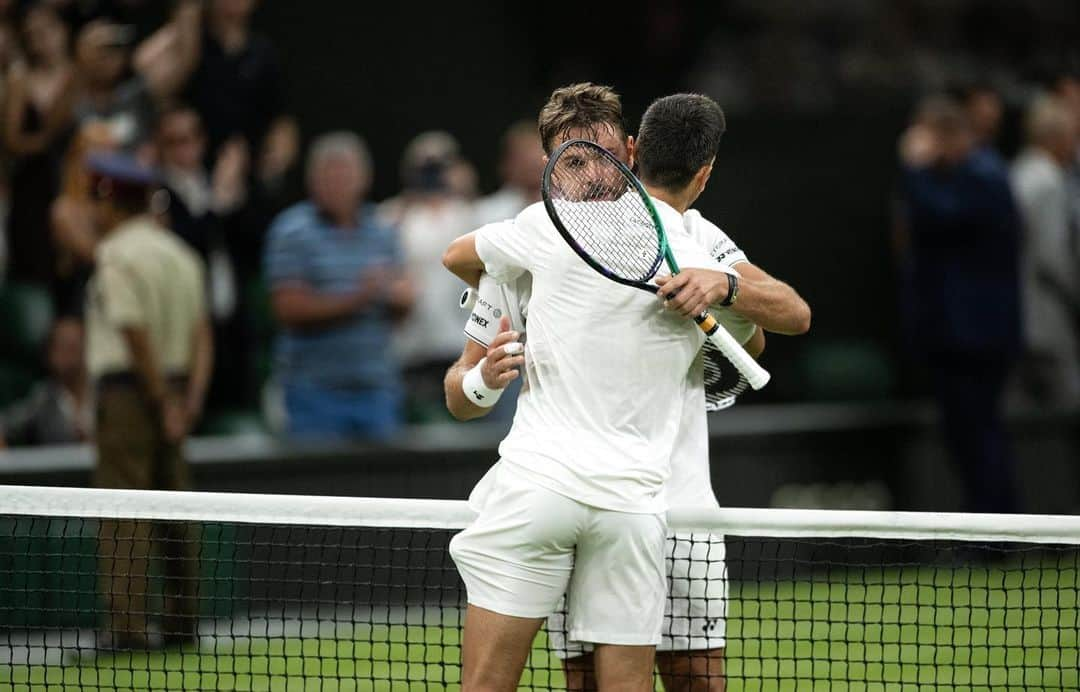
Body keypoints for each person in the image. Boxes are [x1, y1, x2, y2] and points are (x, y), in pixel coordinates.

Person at [444, 85, 809, 692]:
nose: (587, 176)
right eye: (572, 161)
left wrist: (721, 286)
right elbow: (459, 386)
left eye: (600, 157)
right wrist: (482, 381)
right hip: (585, 497)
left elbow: (777, 324)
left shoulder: (690, 236)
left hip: (666, 502)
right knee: (579, 679)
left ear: (631, 153)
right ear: (549, 167)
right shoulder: (526, 241)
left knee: (696, 678)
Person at [85, 151, 212, 650]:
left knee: (124, 512)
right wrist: (189, 400)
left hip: (131, 396)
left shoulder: (116, 254)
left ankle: (127, 629)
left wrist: (159, 400)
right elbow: (203, 335)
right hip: (176, 393)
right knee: (175, 509)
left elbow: (133, 330)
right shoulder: (182, 254)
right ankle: (182, 624)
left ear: (110, 200)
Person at [896, 95, 1022, 513]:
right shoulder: (957, 175)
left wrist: (913, 169)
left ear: (946, 136)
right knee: (965, 435)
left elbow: (943, 216)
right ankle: (990, 532)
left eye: (926, 137)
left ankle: (996, 537)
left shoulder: (983, 175)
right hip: (954, 334)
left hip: (977, 336)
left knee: (979, 433)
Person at [264, 132, 413, 440]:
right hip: (314, 391)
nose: (339, 185)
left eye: (347, 176)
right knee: (319, 485)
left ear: (364, 179)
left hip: (376, 387)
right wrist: (360, 297)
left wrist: (399, 299)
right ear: (312, 181)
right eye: (330, 176)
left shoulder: (382, 231)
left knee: (384, 485)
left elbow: (402, 303)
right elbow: (287, 308)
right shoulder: (292, 231)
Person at [380, 131, 475, 422]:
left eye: (439, 165)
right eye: (425, 167)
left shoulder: (467, 213)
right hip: (411, 346)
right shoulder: (391, 215)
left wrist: (465, 188)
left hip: (458, 342)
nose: (432, 174)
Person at [1011, 95, 1080, 405]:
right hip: (1047, 310)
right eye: (1072, 136)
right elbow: (1052, 255)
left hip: (1014, 306)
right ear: (1054, 137)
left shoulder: (1017, 172)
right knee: (1066, 402)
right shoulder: (1049, 181)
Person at [3, 2, 75, 286]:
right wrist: (47, 141)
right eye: (31, 34)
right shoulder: (20, 80)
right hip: (33, 187)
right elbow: (13, 141)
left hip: (75, 184)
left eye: (46, 30)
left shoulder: (81, 73)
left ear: (63, 30)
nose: (41, 41)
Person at [0, 317, 89, 448]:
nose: (67, 355)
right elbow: (5, 423)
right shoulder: (44, 396)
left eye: (73, 347)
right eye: (60, 346)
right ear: (49, 353)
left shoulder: (107, 392)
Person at [471, 120, 545, 226]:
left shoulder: (570, 207)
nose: (532, 165)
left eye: (537, 155)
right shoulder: (484, 214)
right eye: (523, 157)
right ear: (505, 165)